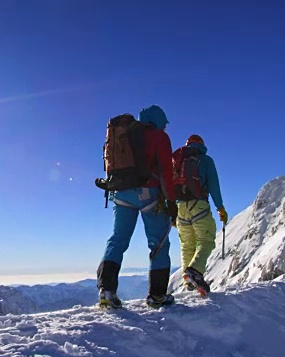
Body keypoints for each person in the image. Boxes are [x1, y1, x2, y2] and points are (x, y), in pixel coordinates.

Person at [96, 105, 178, 309]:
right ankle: (157, 295)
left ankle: (106, 290)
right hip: (147, 192)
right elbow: (167, 172)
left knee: (118, 239)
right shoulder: (158, 136)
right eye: (164, 123)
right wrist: (170, 201)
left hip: (120, 192)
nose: (165, 128)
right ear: (158, 120)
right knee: (158, 243)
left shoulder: (124, 135)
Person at [173, 134, 227, 295]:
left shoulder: (177, 160)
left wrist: (171, 214)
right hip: (199, 206)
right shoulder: (206, 160)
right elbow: (213, 185)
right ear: (202, 145)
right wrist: (220, 208)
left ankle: (187, 283)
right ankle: (195, 271)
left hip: (179, 208)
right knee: (206, 241)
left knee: (187, 246)